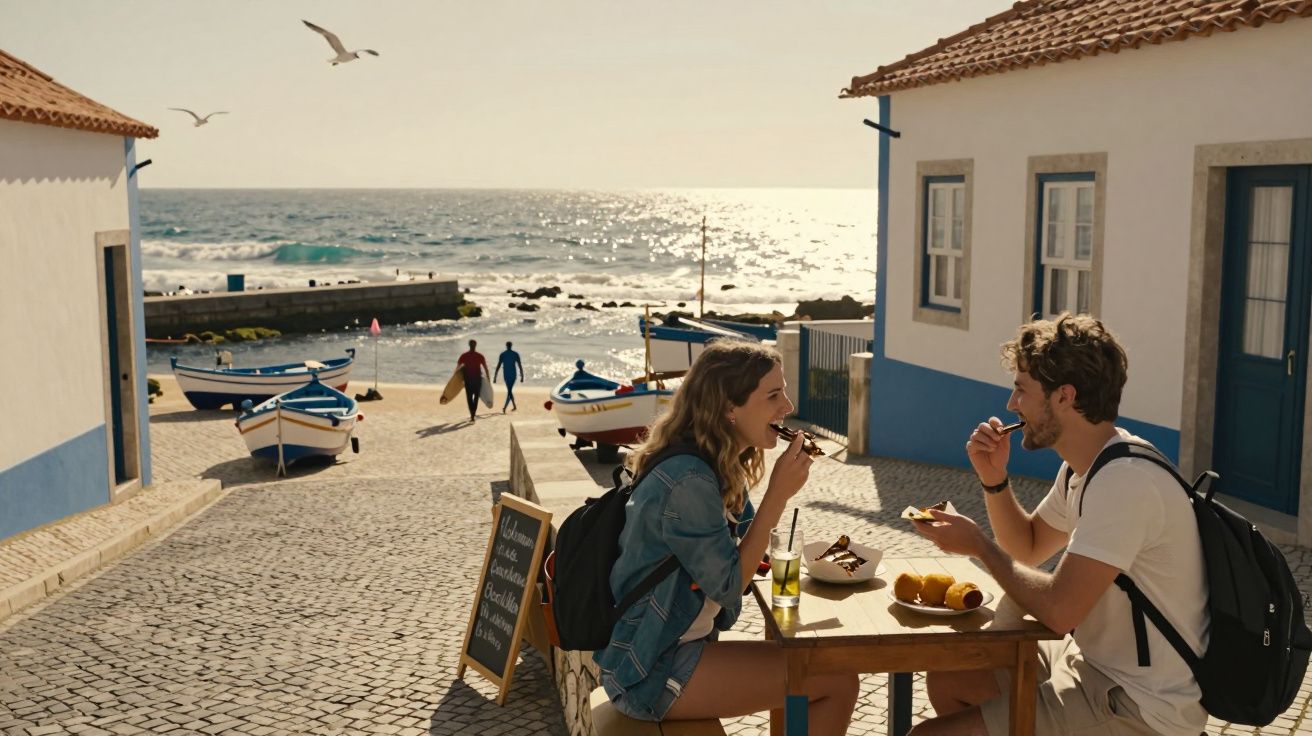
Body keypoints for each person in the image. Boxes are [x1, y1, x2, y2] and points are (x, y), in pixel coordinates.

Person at [908, 313, 1208, 736]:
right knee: (952, 678)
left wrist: (978, 544)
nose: (1011, 405)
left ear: (1064, 396)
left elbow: (1060, 610)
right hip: (1091, 665)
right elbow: (1028, 547)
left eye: (1021, 390)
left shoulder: (1125, 483)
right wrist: (994, 479)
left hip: (1139, 704)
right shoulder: (1085, 469)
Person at [594, 340, 858, 734]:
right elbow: (730, 586)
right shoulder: (689, 480)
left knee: (817, 669)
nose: (787, 407)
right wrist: (777, 495)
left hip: (671, 651)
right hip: (650, 669)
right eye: (773, 395)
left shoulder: (717, 466)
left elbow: (749, 554)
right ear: (729, 407)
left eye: (784, 393)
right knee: (836, 681)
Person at [456, 339, 490, 423]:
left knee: (469, 398)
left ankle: (472, 414)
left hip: (468, 380)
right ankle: (473, 414)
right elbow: (485, 368)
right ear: (475, 345)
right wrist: (488, 379)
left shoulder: (464, 355)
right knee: (476, 398)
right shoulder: (480, 356)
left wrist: (456, 379)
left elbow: (458, 367)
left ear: (469, 345)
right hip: (477, 380)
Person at [493, 341, 525, 413]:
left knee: (509, 390)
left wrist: (495, 376)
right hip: (512, 375)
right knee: (509, 390)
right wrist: (522, 376)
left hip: (507, 375)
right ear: (511, 345)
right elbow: (520, 365)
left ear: (506, 345)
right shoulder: (515, 354)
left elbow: (498, 366)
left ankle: (505, 407)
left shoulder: (503, 354)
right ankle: (514, 406)